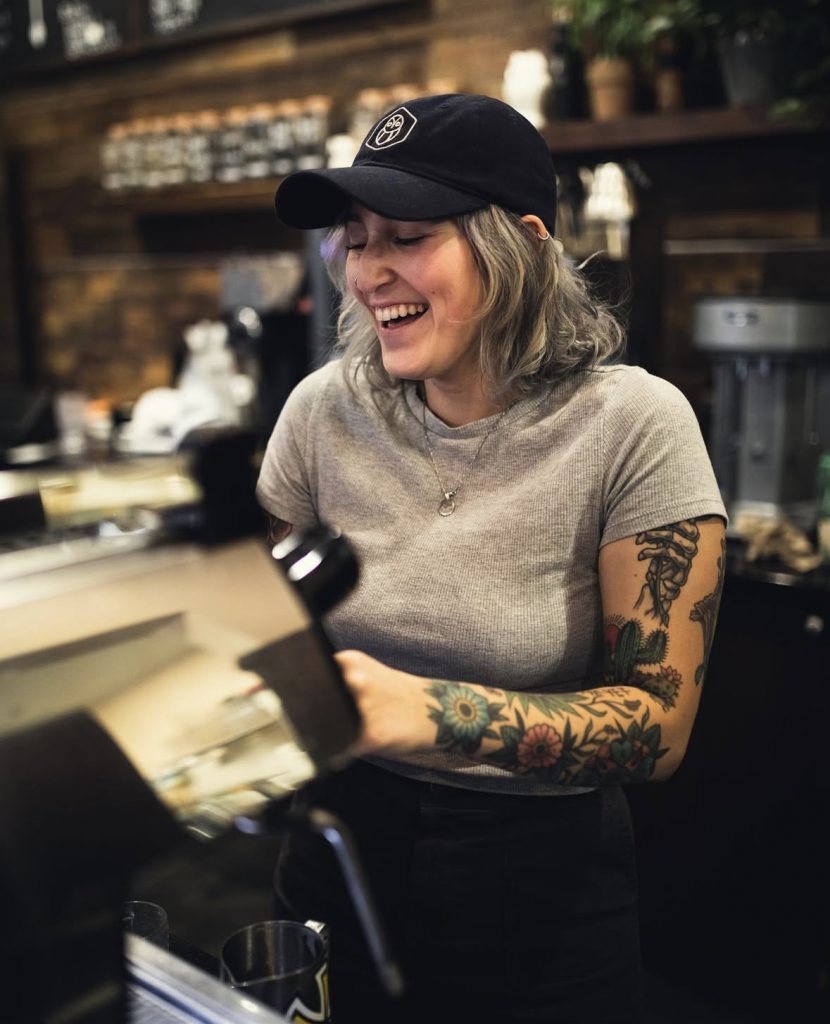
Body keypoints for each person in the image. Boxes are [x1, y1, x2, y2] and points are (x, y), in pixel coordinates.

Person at [257, 93, 727, 1024]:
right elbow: (260, 616)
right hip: (339, 847)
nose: (367, 273)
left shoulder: (632, 425)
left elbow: (657, 725)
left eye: (406, 236)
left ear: (519, 245)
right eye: (356, 239)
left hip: (538, 888)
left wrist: (426, 712)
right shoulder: (322, 412)